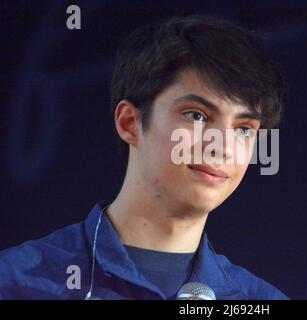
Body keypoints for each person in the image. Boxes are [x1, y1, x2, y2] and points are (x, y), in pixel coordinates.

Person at [0, 15, 288, 300]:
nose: (222, 147)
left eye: (243, 129)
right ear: (129, 123)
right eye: (197, 115)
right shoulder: (15, 283)